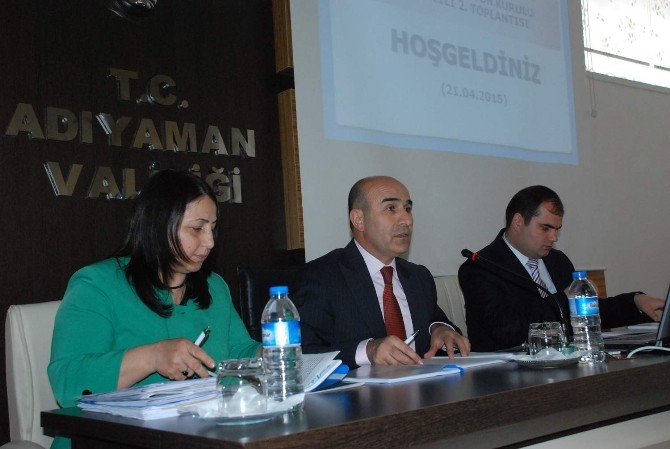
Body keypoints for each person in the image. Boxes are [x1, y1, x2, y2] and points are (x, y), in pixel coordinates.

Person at [48, 170, 260, 449]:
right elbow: (68, 381)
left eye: (213, 228)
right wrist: (152, 357)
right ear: (160, 226)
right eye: (197, 229)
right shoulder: (96, 285)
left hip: (198, 438)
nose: (209, 242)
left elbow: (239, 351)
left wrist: (269, 355)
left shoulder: (214, 287)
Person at [458, 185, 665, 352]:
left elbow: (584, 313)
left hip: (566, 363)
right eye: (545, 228)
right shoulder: (481, 268)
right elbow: (506, 330)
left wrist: (635, 303)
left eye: (557, 229)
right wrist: (564, 298)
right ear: (518, 222)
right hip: (507, 375)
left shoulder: (557, 260)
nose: (554, 238)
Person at [293, 176, 470, 368]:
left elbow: (435, 320)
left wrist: (440, 329)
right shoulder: (321, 277)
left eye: (408, 209)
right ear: (359, 220)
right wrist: (367, 351)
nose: (407, 220)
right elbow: (298, 355)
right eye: (391, 208)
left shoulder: (418, 276)